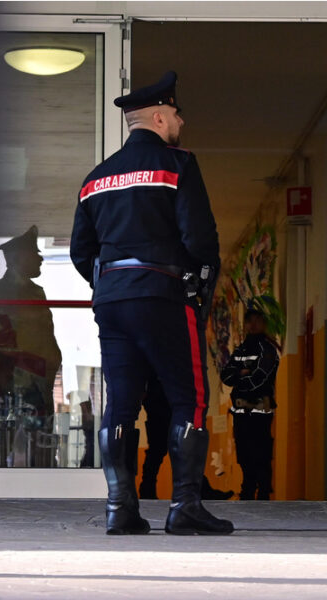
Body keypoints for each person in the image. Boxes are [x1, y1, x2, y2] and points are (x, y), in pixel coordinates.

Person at [70, 71, 233, 535]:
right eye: (177, 113)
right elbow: (200, 238)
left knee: (120, 403)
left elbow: (83, 252)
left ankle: (120, 509)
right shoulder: (177, 164)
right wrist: (198, 290)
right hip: (163, 295)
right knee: (190, 399)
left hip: (112, 302)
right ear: (160, 116)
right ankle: (185, 507)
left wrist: (112, 286)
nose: (180, 120)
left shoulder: (95, 178)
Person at [0, 225, 62, 467]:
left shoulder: (36, 294)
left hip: (38, 382)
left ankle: (43, 495)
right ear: (18, 258)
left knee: (42, 447)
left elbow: (45, 338)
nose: (40, 259)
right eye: (34, 254)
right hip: (7, 382)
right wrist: (13, 364)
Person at [140, 377, 234, 501]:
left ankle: (148, 490)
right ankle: (148, 490)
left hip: (165, 399)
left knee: (176, 449)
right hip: (161, 400)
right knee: (163, 450)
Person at [220, 308, 280, 500]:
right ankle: (247, 490)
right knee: (244, 453)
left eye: (257, 320)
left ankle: (263, 493)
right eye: (249, 321)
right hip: (240, 413)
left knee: (261, 453)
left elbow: (261, 377)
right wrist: (241, 374)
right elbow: (226, 375)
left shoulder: (268, 349)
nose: (253, 325)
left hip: (260, 412)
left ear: (263, 324)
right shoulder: (240, 349)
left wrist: (240, 379)